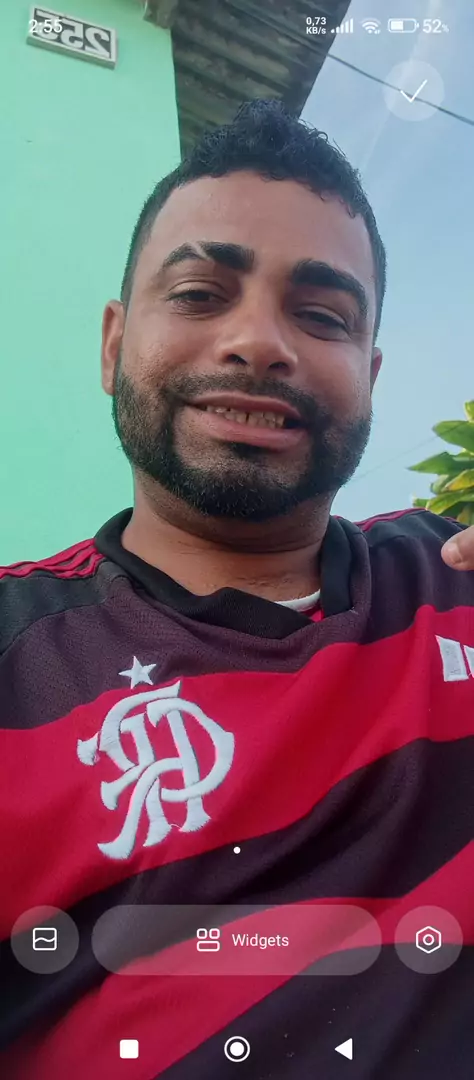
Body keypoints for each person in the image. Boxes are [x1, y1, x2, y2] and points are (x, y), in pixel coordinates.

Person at [1, 99, 474, 1080]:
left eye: (322, 316)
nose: (259, 343)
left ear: (371, 374)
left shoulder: (456, 583)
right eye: (198, 293)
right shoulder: (16, 661)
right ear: (112, 346)